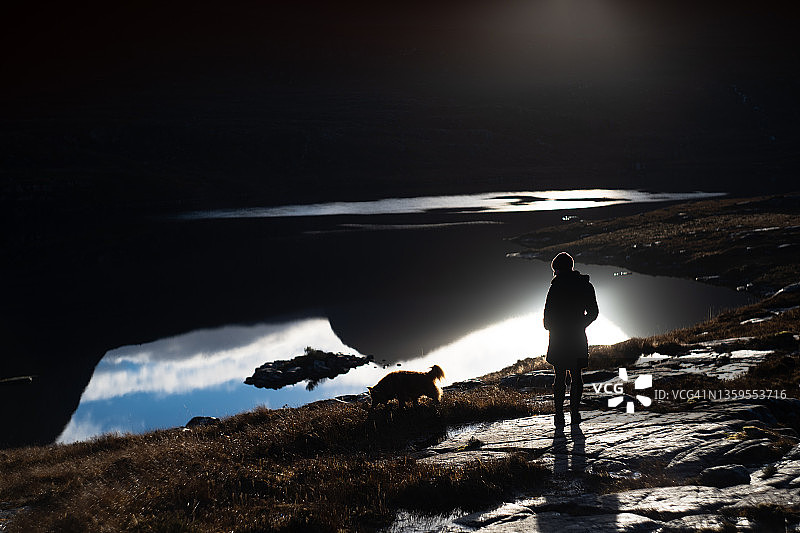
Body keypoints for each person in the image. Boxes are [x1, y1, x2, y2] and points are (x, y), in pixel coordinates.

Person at [543, 252, 598, 426]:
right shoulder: (585, 285)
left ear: (558, 269)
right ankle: (575, 413)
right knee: (576, 376)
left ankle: (559, 415)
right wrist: (581, 324)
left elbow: (547, 316)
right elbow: (594, 312)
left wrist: (552, 327)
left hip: (559, 337)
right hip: (577, 336)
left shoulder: (555, 286)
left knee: (559, 377)